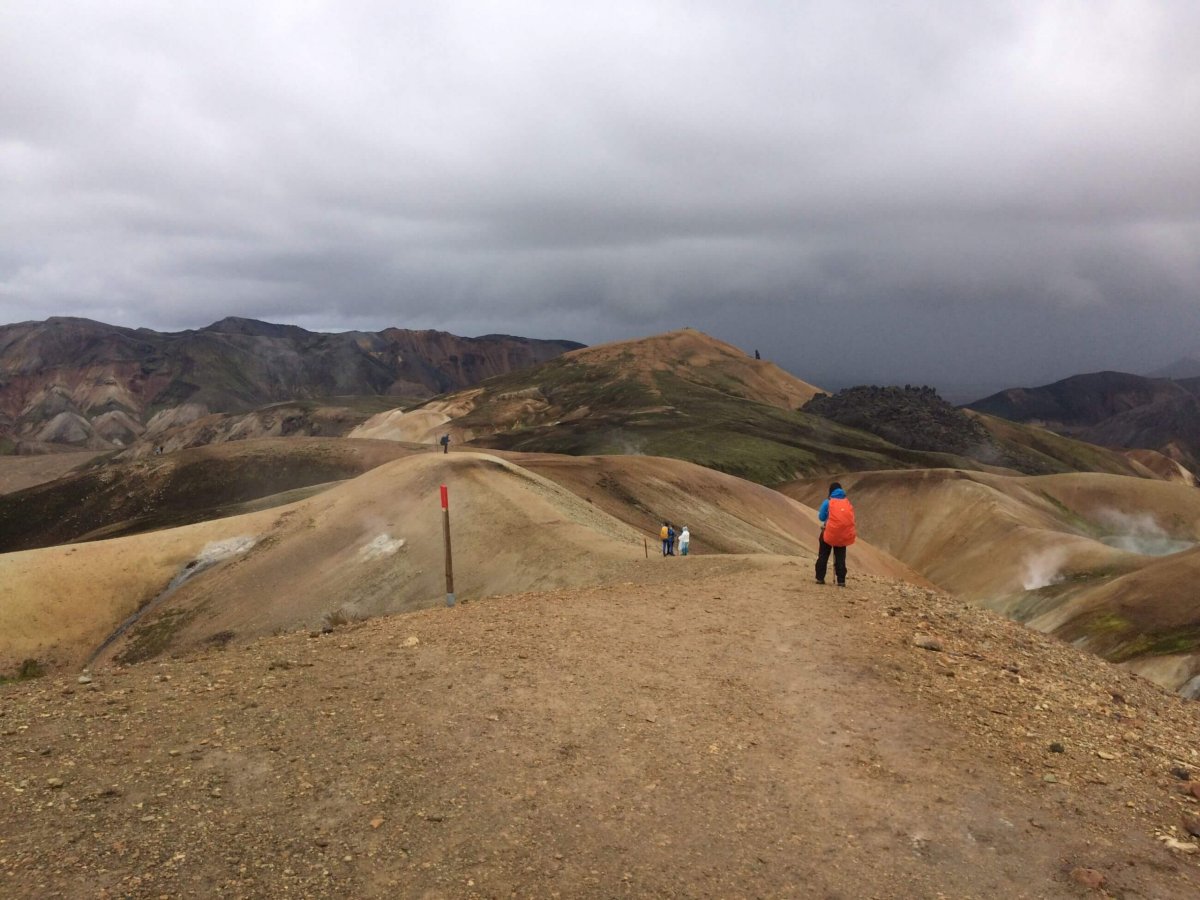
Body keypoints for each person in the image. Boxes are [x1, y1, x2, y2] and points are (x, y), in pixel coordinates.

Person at [816, 482, 856, 587]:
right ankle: (841, 580)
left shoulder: (828, 502)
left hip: (828, 533)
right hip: (842, 535)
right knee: (840, 557)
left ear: (830, 491)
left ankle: (820, 578)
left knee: (823, 555)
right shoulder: (847, 502)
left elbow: (821, 517)